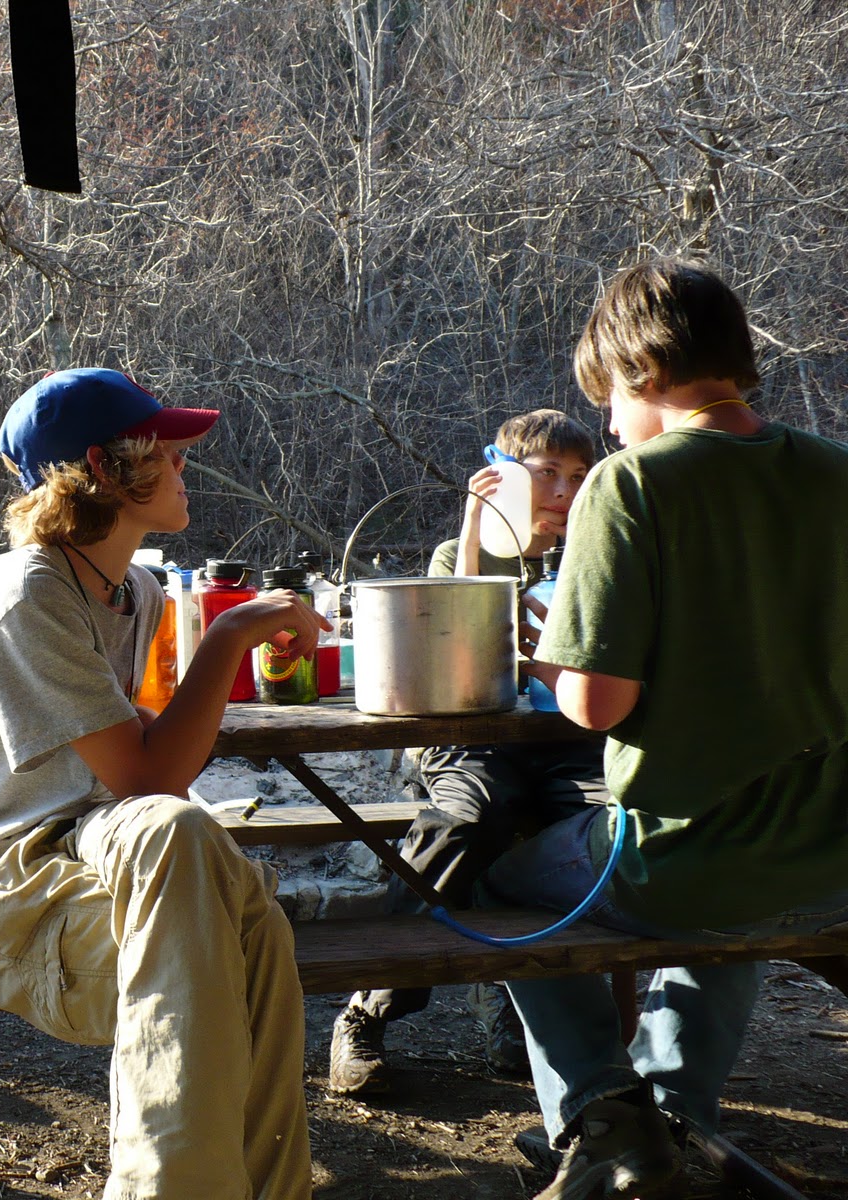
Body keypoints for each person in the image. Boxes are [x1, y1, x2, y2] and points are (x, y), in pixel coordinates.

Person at [0, 367, 325, 1199]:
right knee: (191, 858)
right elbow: (145, 776)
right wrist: (231, 632)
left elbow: (141, 778)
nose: (183, 470)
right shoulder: (25, 592)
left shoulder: (137, 590)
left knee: (255, 927)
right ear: (103, 468)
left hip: (88, 854)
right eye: (165, 455)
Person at [480, 258, 848, 1200]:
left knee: (498, 883)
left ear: (639, 372)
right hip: (831, 856)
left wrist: (550, 662)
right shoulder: (833, 472)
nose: (605, 422)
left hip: (685, 864)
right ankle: (679, 1110)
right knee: (728, 863)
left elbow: (596, 703)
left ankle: (605, 1112)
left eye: (607, 398)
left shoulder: (630, 483)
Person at [329, 410, 608, 1096]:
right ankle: (371, 1005)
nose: (562, 494)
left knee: (590, 831)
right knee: (472, 817)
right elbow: (449, 644)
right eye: (546, 476)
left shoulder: (597, 555)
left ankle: (535, 1013)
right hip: (472, 737)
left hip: (568, 743)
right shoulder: (461, 556)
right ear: (509, 475)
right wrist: (479, 529)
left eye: (577, 479)